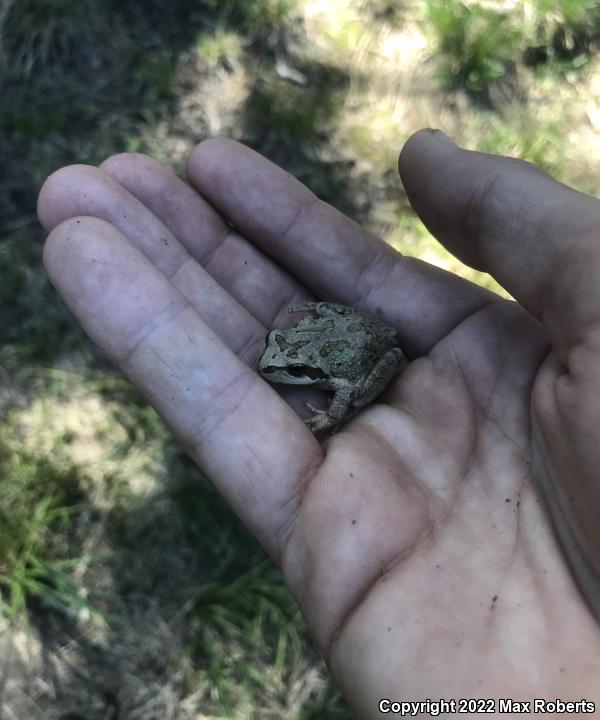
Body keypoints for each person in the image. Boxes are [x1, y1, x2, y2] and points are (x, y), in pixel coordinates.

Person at [37, 130, 600, 716]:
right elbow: (295, 347)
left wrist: (337, 410)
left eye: (287, 362)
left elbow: (364, 362)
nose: (275, 364)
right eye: (279, 353)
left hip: (370, 353)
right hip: (345, 333)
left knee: (353, 382)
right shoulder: (290, 348)